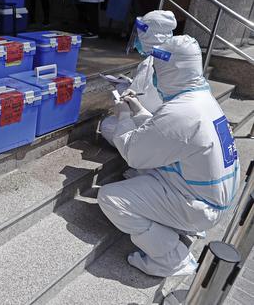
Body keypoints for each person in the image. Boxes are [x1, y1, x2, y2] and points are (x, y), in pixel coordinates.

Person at [97, 35, 241, 277]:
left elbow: (135, 152)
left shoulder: (184, 111)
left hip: (199, 206)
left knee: (111, 198)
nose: (155, 77)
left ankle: (171, 260)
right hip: (211, 198)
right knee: (139, 174)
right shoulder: (200, 100)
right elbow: (164, 136)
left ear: (171, 71)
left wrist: (122, 114)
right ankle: (176, 225)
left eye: (158, 72)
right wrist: (138, 109)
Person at [100, 10, 177, 146]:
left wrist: (121, 88)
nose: (135, 42)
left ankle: (135, 152)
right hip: (170, 123)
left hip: (158, 127)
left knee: (107, 125)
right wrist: (129, 84)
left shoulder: (150, 63)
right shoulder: (172, 57)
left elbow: (140, 102)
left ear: (148, 37)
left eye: (139, 36)